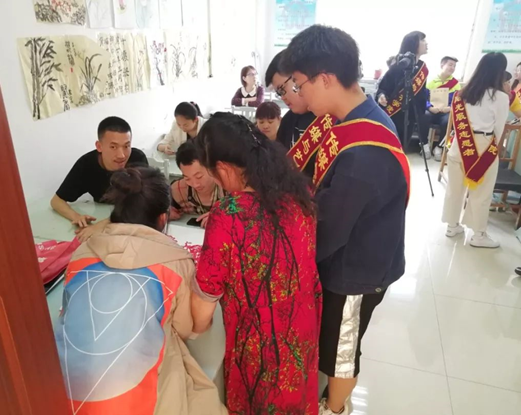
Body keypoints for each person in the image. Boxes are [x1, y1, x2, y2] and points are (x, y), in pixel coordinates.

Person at [280, 24, 410, 415]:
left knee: (341, 347)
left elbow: (327, 231)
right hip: (352, 250)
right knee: (334, 339)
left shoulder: (363, 152)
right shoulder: (350, 116)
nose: (299, 93)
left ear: (326, 78)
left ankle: (335, 408)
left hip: (356, 270)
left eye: (300, 84)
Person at [54, 166, 226, 415]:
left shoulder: (82, 253)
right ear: (163, 218)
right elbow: (186, 330)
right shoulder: (175, 262)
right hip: (131, 399)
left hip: (60, 391)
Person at [191, 113, 322, 414]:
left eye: (211, 173)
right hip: (302, 321)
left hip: (261, 340)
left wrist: (195, 330)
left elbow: (205, 300)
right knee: (296, 395)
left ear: (223, 168)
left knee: (262, 402)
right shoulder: (299, 191)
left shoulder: (229, 214)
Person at [442, 52, 509, 248]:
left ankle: (452, 226)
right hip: (484, 146)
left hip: (459, 145)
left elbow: (457, 124)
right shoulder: (500, 97)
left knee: (454, 189)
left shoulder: (462, 94)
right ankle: (479, 235)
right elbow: (499, 129)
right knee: (482, 192)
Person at [51, 116, 148, 241]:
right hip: (100, 218)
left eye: (126, 146)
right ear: (99, 146)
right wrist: (76, 217)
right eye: (113, 147)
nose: (121, 155)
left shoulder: (137, 159)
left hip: (131, 226)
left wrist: (103, 225)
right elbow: (56, 201)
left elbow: (144, 203)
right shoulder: (86, 164)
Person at [266, 50, 334, 178]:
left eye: (282, 89)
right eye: (278, 93)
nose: (283, 97)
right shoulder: (288, 121)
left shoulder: (333, 118)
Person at [376, 31, 429, 147]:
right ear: (414, 43)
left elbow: (421, 93)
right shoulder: (399, 66)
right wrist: (381, 96)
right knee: (390, 146)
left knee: (403, 147)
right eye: (422, 40)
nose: (426, 43)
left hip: (412, 116)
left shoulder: (422, 68)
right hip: (395, 114)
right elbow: (383, 88)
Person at [170, 141, 225, 228]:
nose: (195, 184)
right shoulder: (178, 190)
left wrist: (225, 217)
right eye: (187, 178)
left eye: (199, 177)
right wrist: (166, 213)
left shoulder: (231, 188)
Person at [419, 56, 462, 161]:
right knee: (423, 116)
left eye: (454, 66)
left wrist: (449, 108)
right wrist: (429, 107)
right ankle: (424, 145)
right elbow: (423, 98)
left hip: (445, 112)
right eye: (450, 65)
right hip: (432, 110)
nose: (452, 68)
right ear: (442, 65)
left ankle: (439, 147)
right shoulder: (431, 81)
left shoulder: (456, 84)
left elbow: (457, 101)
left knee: (448, 121)